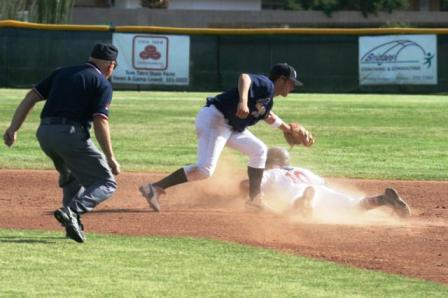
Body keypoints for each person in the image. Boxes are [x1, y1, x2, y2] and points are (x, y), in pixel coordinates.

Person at [139, 63, 310, 211]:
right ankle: (155, 188)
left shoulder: (267, 98)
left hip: (230, 126)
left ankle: (254, 200)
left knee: (259, 150)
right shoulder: (267, 84)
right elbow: (245, 78)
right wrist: (243, 101)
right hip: (216, 119)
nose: (292, 87)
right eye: (291, 83)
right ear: (281, 79)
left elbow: (267, 115)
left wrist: (286, 129)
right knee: (205, 169)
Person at [3, 43, 121, 243]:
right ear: (111, 66)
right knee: (106, 183)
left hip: (45, 134)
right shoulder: (101, 83)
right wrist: (110, 157)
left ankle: (70, 227)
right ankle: (71, 212)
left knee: (71, 177)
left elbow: (31, 96)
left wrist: (13, 128)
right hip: (70, 135)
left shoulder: (62, 72)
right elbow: (101, 120)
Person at [240, 147, 411, 219]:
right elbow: (325, 184)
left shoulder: (272, 173)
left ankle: (303, 203)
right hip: (321, 189)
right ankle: (383, 199)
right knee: (353, 207)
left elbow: (247, 185)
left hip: (298, 192)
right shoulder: (303, 170)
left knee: (292, 212)